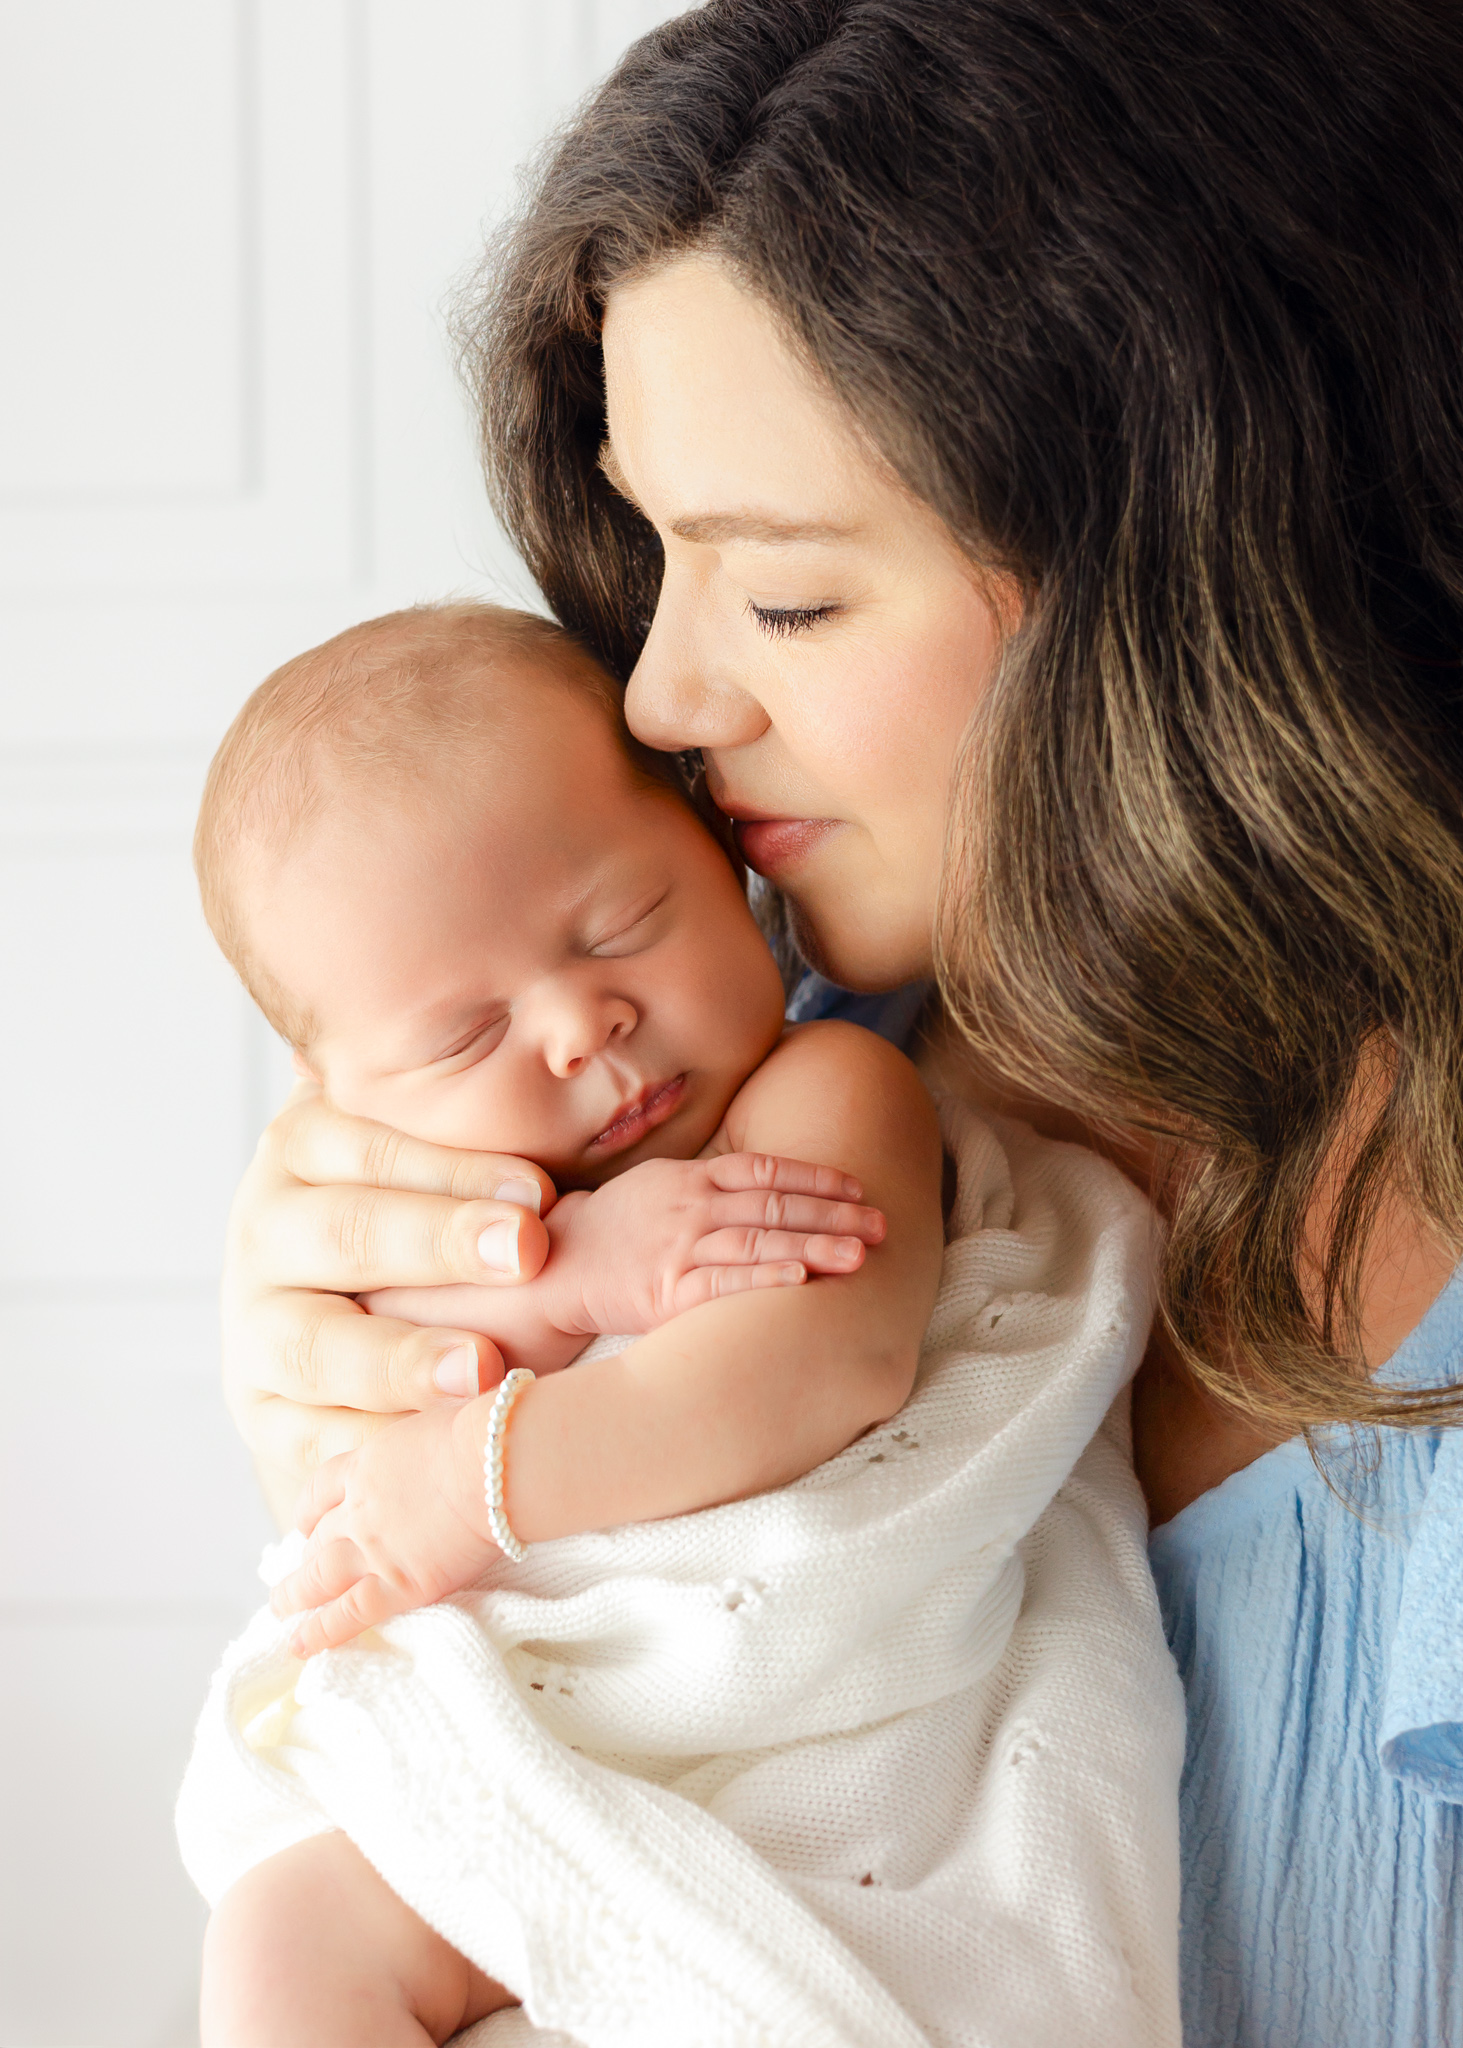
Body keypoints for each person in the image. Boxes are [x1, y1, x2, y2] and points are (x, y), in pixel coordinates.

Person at [209, 3, 1463, 2042]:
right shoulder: (733, 1050)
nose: (659, 699)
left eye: (783, 595)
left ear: (1211, 559)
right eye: (656, 560)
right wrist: (357, 1362)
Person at [180, 599, 1180, 2046]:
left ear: (722, 861)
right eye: (467, 1037)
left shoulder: (824, 1090)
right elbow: (369, 1428)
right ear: (334, 1086)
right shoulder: (419, 1215)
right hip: (561, 1747)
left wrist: (486, 1475)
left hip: (794, 1763)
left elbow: (823, 1361)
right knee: (287, 1935)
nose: (582, 1028)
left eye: (619, 927)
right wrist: (572, 1268)